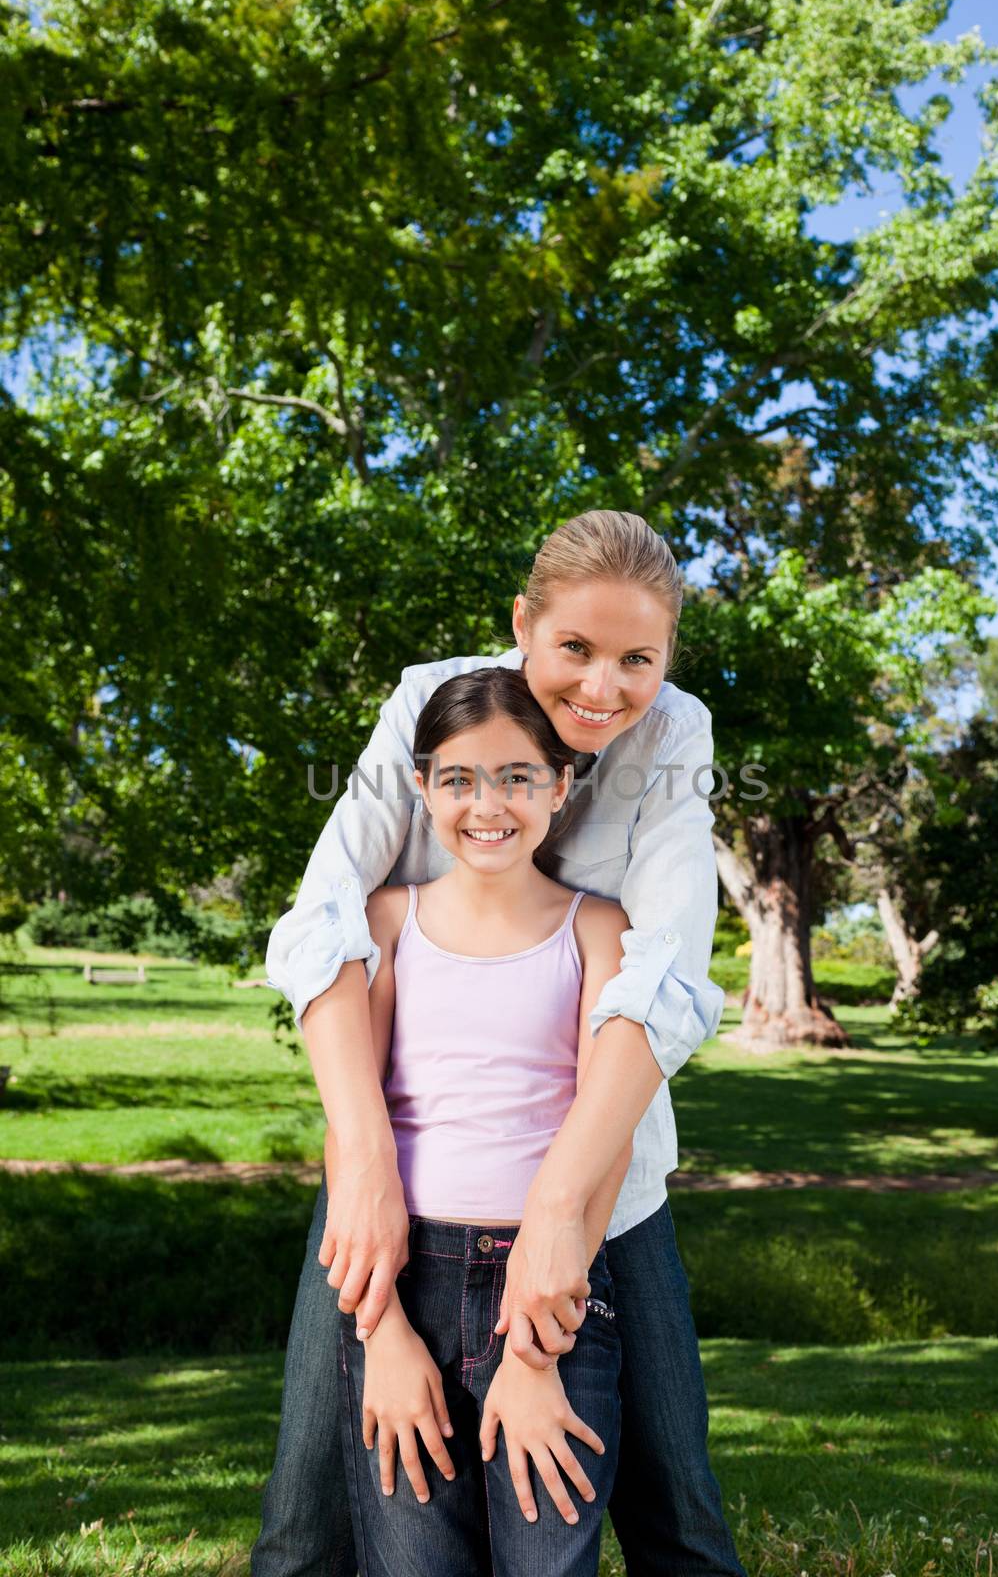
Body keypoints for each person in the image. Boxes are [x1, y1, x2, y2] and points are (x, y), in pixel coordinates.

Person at [255, 509, 747, 1577]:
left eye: (637, 659)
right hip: (405, 1184)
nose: (603, 689)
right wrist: (365, 1168)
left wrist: (563, 1216)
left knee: (678, 1511)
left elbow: (653, 983)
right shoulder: (431, 705)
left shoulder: (672, 737)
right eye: (573, 647)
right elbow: (329, 920)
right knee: (305, 1521)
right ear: (521, 624)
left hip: (602, 1174)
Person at [334, 665, 631, 1575]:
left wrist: (537, 1356)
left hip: (551, 1292)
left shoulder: (598, 930)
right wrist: (381, 1335)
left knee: (547, 1560)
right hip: (405, 1281)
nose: (487, 804)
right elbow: (356, 1136)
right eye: (458, 779)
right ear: (421, 788)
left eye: (515, 777)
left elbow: (605, 1135)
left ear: (559, 785)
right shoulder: (385, 923)